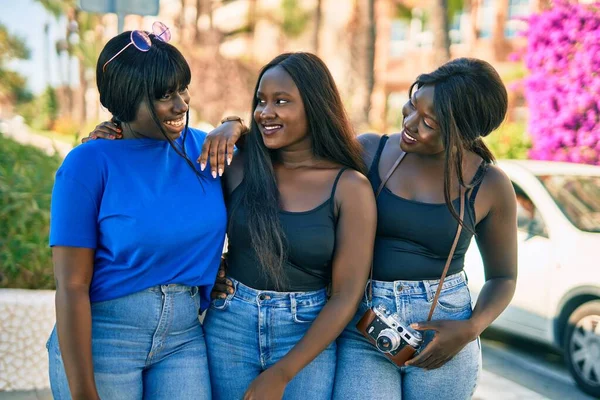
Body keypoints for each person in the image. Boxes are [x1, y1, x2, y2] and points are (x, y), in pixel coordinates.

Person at [209, 57, 518, 400]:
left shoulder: (488, 185)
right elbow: (299, 153)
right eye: (412, 106)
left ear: (463, 132)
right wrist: (234, 126)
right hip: (366, 318)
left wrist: (471, 328)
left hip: (442, 322)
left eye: (428, 121)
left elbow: (503, 277)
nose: (411, 123)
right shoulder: (371, 150)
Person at [84, 52, 377, 400]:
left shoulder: (350, 188)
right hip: (229, 326)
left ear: (315, 106)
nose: (266, 112)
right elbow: (166, 206)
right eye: (261, 101)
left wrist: (283, 372)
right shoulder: (237, 167)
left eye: (281, 102)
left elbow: (346, 295)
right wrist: (112, 140)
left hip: (305, 333)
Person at [47, 24, 227, 399]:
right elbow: (71, 286)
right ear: (126, 100)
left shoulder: (207, 150)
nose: (181, 105)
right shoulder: (87, 164)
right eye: (164, 96)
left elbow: (279, 166)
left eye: (182, 89)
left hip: (183, 338)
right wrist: (83, 392)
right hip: (105, 338)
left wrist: (234, 125)